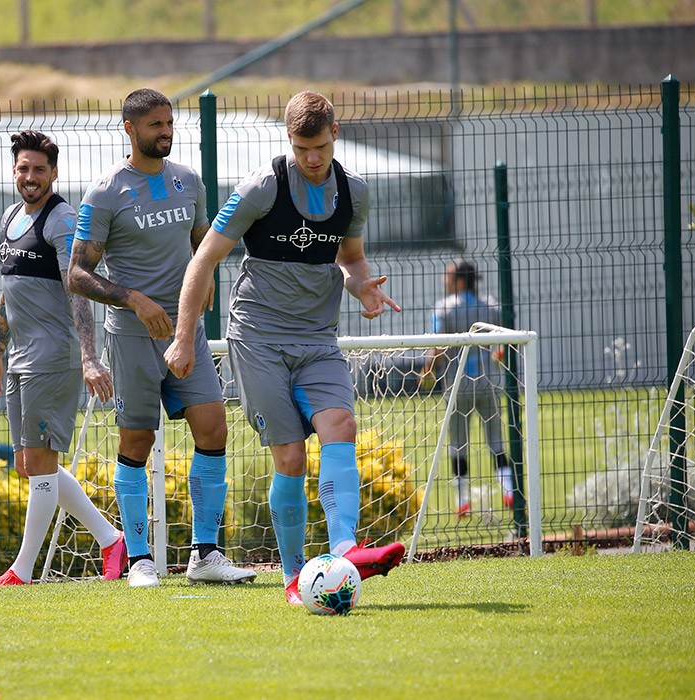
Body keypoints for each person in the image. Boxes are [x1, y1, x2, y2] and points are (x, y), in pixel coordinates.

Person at [164, 91, 407, 605]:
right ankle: (295, 579)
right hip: (259, 338)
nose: (311, 158)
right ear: (289, 141)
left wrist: (361, 285)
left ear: (335, 134)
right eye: (301, 148)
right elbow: (203, 260)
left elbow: (351, 258)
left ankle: (346, 550)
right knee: (291, 458)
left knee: (341, 425)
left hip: (317, 339)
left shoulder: (354, 192)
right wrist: (184, 337)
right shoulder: (262, 187)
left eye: (319, 147)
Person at [69, 88, 255, 588]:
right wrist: (134, 299)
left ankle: (205, 555)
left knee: (213, 427)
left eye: (169, 123)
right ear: (129, 128)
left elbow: (202, 243)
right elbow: (77, 275)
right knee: (138, 438)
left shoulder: (188, 180)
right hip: (132, 336)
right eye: (155, 124)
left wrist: (205, 273)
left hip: (185, 333)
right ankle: (140, 560)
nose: (166, 132)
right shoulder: (104, 193)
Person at [0, 129, 128, 587]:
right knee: (28, 464)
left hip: (54, 358)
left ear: (54, 173)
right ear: (14, 171)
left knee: (41, 464)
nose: (30, 176)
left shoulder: (61, 220)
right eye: (23, 168)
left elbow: (77, 290)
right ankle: (111, 539)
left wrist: (89, 357)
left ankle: (21, 571)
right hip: (19, 359)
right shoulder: (10, 217)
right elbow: (9, 292)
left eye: (39, 170)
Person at [423, 259, 513, 517]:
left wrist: (427, 370)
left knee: (458, 444)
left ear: (460, 280)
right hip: (488, 382)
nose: (444, 281)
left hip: (457, 385)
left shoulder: (444, 308)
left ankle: (463, 501)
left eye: (448, 276)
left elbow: (439, 347)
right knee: (496, 441)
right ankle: (509, 491)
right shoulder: (491, 306)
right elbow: (505, 341)